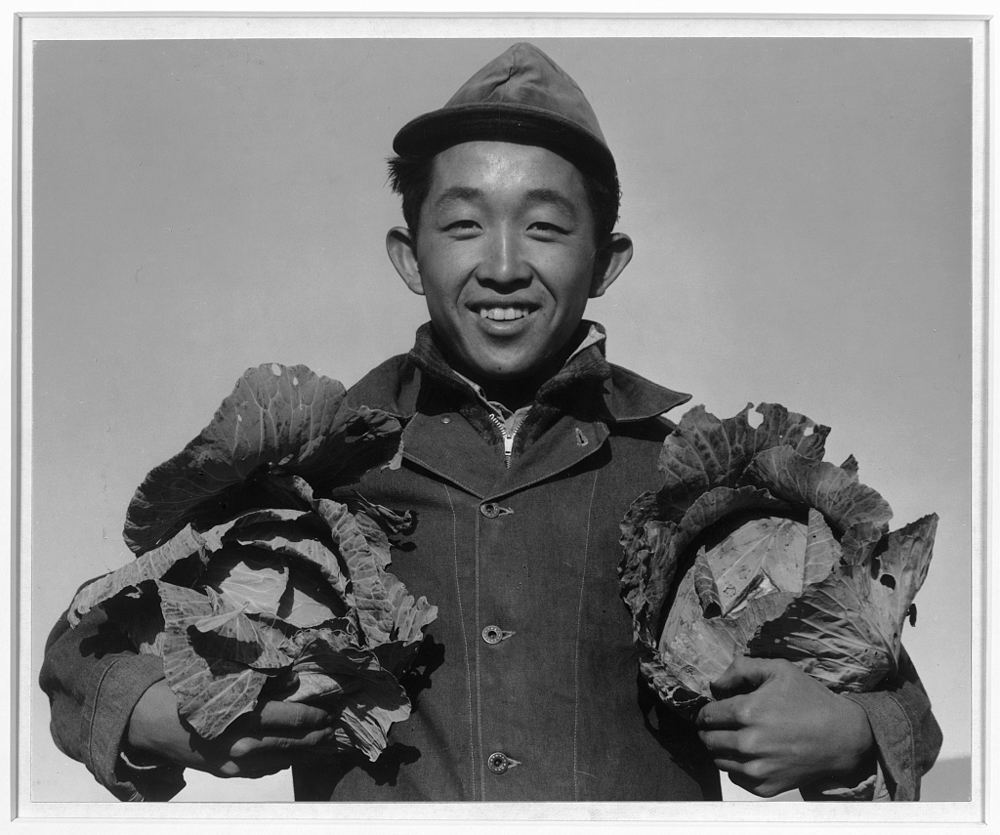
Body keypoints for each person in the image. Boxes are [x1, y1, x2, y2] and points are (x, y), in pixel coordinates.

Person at [40, 42, 941, 803]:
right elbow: (84, 650)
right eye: (463, 223)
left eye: (546, 227)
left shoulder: (696, 485)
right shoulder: (309, 469)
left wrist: (855, 735)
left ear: (606, 261)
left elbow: (899, 703)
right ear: (409, 255)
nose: (504, 263)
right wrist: (157, 710)